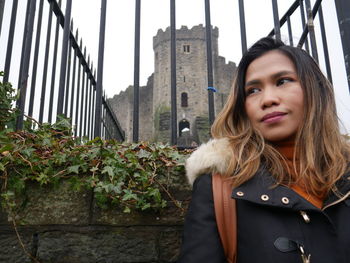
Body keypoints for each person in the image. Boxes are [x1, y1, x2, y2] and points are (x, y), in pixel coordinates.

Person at [177, 37, 350, 263]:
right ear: (242, 106)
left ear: (314, 89)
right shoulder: (218, 186)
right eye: (253, 90)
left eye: (283, 81)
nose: (268, 99)